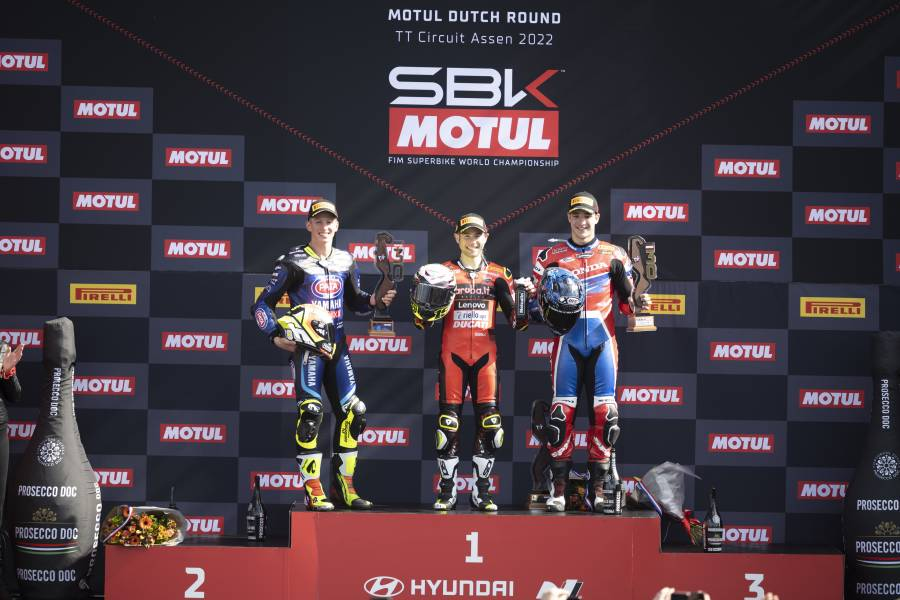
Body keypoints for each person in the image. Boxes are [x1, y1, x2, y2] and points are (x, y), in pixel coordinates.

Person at [251, 200, 396, 511]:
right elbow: (262, 305)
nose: (324, 227)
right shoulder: (292, 262)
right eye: (318, 221)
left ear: (337, 225)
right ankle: (313, 490)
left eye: (329, 221)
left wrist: (375, 300)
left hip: (339, 346)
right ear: (308, 225)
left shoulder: (346, 260)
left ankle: (344, 487)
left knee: (354, 413)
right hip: (308, 349)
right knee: (311, 414)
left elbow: (355, 302)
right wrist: (274, 334)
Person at [531, 192, 649, 512]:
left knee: (606, 416)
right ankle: (558, 489)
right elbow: (535, 307)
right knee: (560, 416)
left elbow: (627, 305)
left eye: (587, 215)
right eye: (576, 215)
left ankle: (598, 488)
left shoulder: (615, 255)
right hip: (566, 344)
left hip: (603, 342)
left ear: (597, 217)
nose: (581, 222)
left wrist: (636, 300)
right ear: (569, 218)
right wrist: (531, 305)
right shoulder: (551, 256)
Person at [415, 213, 533, 511]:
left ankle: (482, 492)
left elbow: (518, 323)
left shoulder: (499, 274)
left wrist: (523, 299)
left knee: (491, 424)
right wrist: (420, 302)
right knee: (448, 425)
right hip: (452, 356)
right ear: (457, 237)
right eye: (466, 235)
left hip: (485, 357)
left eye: (477, 234)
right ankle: (447, 491)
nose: (472, 240)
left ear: (486, 236)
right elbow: (422, 321)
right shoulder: (442, 272)